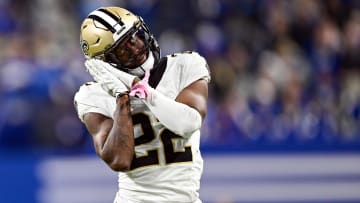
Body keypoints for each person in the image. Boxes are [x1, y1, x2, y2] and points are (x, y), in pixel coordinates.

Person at [73, 6, 211, 203]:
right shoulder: (93, 95)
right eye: (122, 50)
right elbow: (119, 160)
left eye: (135, 36)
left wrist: (140, 90)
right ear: (106, 62)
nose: (136, 48)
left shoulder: (185, 65)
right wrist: (122, 99)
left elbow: (188, 123)